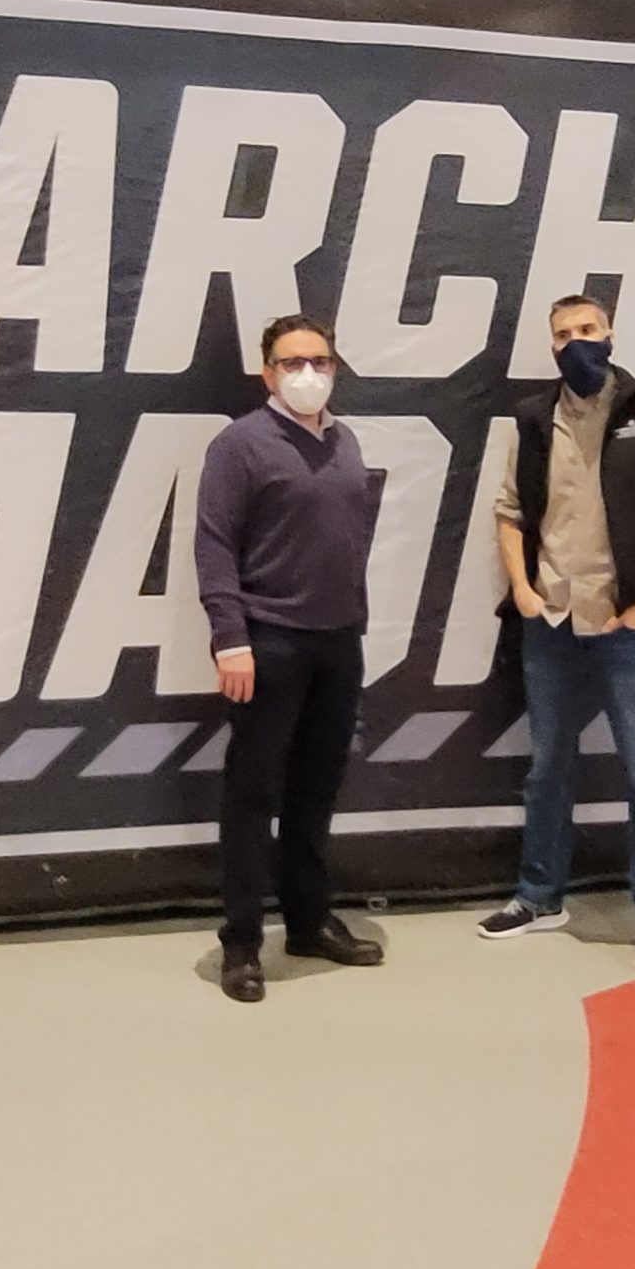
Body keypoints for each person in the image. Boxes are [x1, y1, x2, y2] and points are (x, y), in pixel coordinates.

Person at [478, 295, 635, 972]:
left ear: (610, 333)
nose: (576, 342)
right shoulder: (531, 419)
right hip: (550, 622)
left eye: (587, 330)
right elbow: (510, 513)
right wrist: (522, 589)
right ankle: (539, 895)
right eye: (563, 334)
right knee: (547, 768)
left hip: (625, 625)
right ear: (550, 346)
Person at [193, 313, 388, 1003]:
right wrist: (231, 637)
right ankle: (241, 944)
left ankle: (308, 922)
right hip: (268, 644)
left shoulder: (345, 440)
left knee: (316, 791)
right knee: (253, 795)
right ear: (267, 372)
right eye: (292, 361)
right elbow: (214, 546)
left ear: (334, 367)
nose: (308, 372)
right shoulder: (239, 446)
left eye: (320, 360)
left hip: (338, 642)